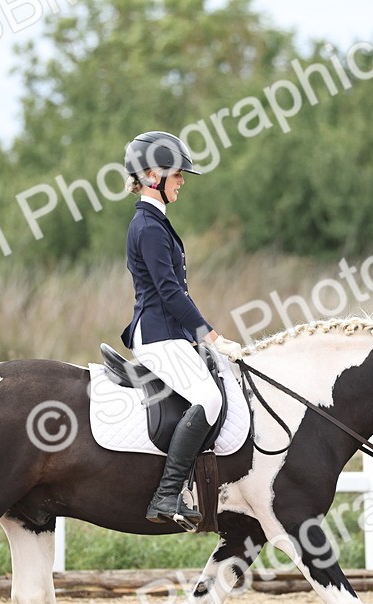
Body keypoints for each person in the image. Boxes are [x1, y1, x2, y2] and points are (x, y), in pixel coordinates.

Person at [120, 130, 244, 529]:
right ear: (153, 175)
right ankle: (168, 494)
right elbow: (170, 292)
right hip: (158, 335)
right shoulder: (149, 226)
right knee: (208, 400)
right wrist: (210, 336)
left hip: (168, 332)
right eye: (177, 174)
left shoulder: (154, 222)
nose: (182, 181)